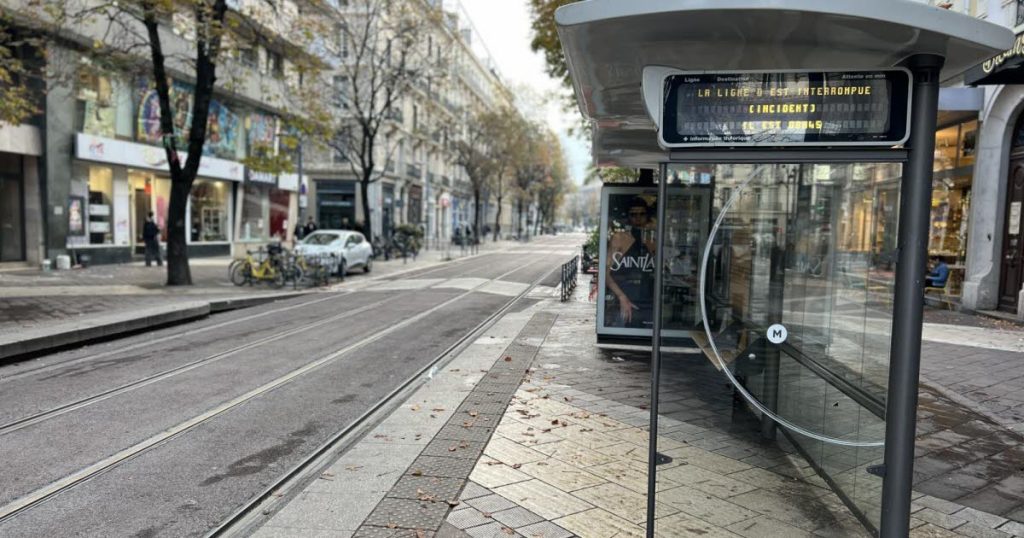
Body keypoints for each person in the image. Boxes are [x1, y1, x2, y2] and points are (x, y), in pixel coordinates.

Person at [606, 196, 656, 328]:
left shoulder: (652, 239)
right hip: (623, 298)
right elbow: (606, 273)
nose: (638, 218)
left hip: (648, 299)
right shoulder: (620, 238)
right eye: (633, 214)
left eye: (642, 214)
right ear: (628, 217)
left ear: (648, 216)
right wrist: (621, 297)